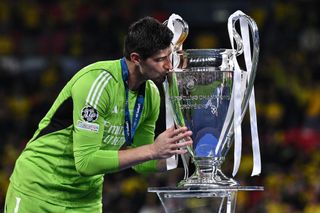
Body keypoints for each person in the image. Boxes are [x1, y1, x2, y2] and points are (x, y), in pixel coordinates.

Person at [4, 16, 193, 213]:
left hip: (85, 200)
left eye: (168, 57)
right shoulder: (98, 83)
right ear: (136, 58)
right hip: (38, 190)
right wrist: (154, 149)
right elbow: (86, 162)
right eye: (160, 59)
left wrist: (183, 158)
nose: (169, 66)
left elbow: (142, 162)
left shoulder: (151, 96)